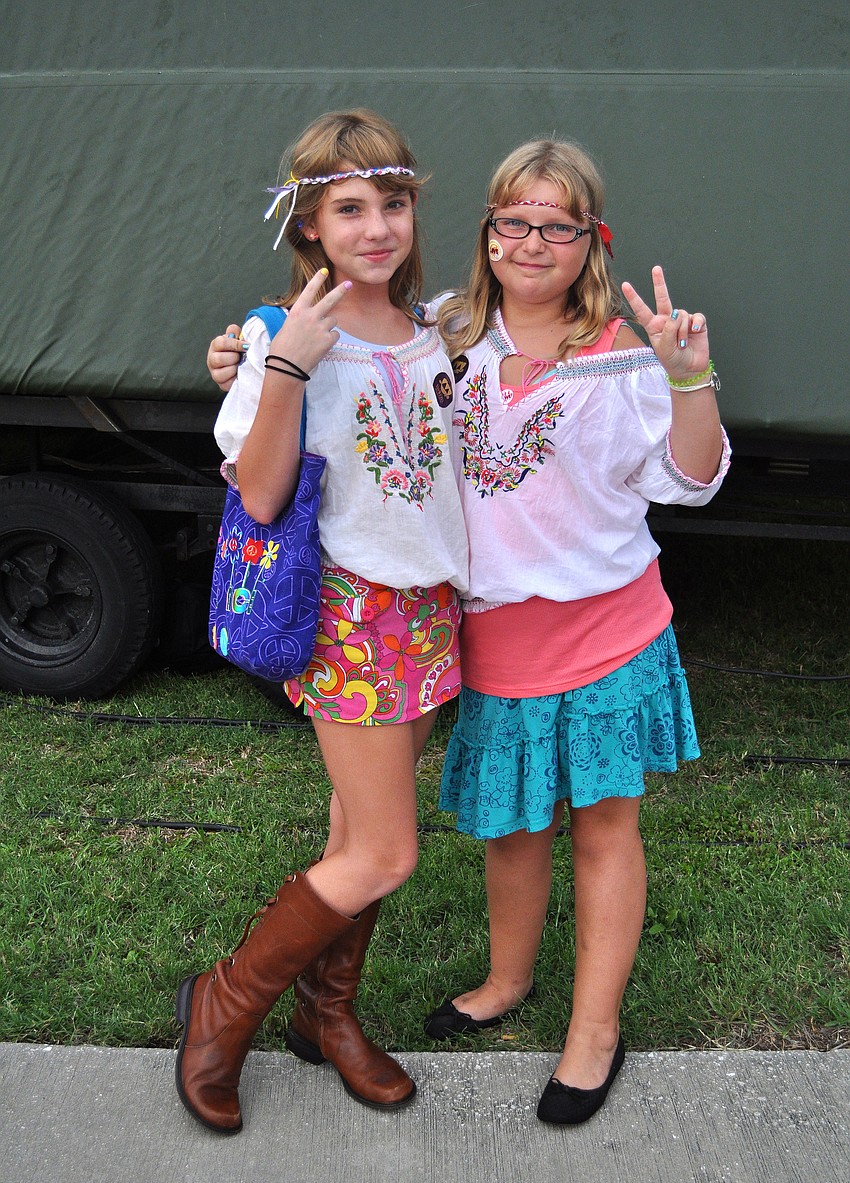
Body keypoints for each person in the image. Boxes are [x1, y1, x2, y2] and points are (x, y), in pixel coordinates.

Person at [206, 136, 729, 1127]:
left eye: (556, 226)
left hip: (609, 631)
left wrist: (691, 380)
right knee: (513, 823)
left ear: (590, 239)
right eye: (512, 222)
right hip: (488, 639)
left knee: (603, 828)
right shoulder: (445, 334)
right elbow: (342, 357)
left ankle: (592, 1034)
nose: (532, 243)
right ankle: (505, 981)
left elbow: (692, 479)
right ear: (487, 235)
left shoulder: (624, 356)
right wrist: (244, 349)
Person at [176, 108, 469, 1134]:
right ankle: (223, 1006)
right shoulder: (278, 337)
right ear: (308, 225)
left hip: (430, 608)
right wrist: (285, 364)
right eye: (348, 208)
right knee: (386, 851)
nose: (376, 226)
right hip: (350, 611)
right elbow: (257, 498)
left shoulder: (441, 326)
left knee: (357, 826)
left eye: (391, 203)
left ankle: (324, 1015)